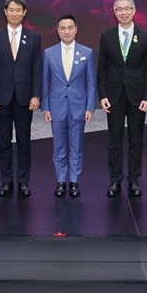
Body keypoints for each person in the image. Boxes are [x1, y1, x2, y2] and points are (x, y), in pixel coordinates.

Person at [0, 0, 43, 198]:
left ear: (24, 12)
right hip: (1, 98)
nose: (15, 13)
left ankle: (23, 181)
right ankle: (6, 181)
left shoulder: (33, 37)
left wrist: (36, 95)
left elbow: (37, 68)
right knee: (4, 141)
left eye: (19, 10)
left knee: (24, 141)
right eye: (11, 9)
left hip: (25, 98)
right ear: (5, 12)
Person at [96, 0, 147, 198]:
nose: (124, 12)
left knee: (136, 139)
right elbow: (102, 68)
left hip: (138, 96)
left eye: (127, 8)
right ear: (114, 12)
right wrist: (102, 94)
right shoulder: (107, 36)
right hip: (114, 96)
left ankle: (134, 179)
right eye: (119, 9)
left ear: (134, 10)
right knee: (114, 139)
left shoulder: (145, 36)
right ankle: (115, 179)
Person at [41, 15, 97, 197]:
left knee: (76, 146)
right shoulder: (49, 53)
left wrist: (90, 107)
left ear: (76, 29)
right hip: (56, 107)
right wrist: (45, 107)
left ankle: (74, 181)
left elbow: (91, 83)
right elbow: (45, 82)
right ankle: (60, 181)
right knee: (58, 147)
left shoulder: (87, 52)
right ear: (58, 30)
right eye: (63, 28)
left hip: (78, 107)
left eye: (70, 27)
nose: (66, 31)